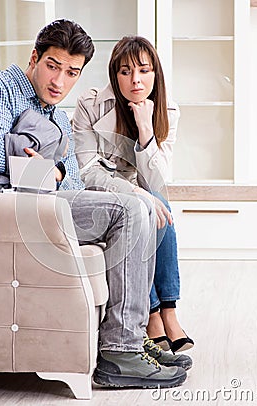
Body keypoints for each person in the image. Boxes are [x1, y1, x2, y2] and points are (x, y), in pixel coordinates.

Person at [0, 19, 190, 388]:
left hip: (39, 207)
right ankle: (124, 349)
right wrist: (49, 171)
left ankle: (128, 344)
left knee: (141, 205)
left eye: (71, 73)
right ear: (35, 57)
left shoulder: (55, 114)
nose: (59, 82)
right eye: (53, 67)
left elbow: (70, 179)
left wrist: (46, 168)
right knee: (132, 206)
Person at [73, 35, 194, 354]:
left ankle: (167, 311)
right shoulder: (90, 104)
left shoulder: (167, 109)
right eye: (125, 71)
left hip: (145, 189)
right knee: (145, 207)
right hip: (104, 195)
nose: (136, 80)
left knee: (158, 202)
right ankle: (155, 313)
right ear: (114, 75)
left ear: (156, 74)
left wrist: (145, 132)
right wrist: (135, 195)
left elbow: (157, 180)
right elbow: (88, 171)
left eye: (144, 70)